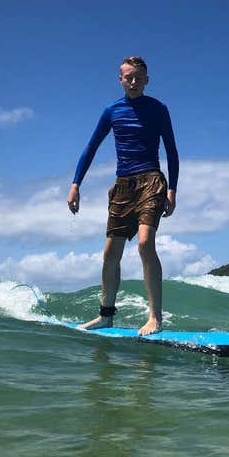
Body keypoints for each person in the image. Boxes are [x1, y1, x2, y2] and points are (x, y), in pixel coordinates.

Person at [67, 56, 179, 336]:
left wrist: (172, 189)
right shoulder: (111, 111)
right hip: (122, 186)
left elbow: (172, 151)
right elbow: (90, 147)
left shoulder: (158, 109)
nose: (133, 81)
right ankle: (106, 316)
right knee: (110, 253)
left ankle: (155, 317)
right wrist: (75, 183)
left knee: (144, 244)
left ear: (146, 80)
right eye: (128, 77)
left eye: (138, 77)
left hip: (152, 180)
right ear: (120, 79)